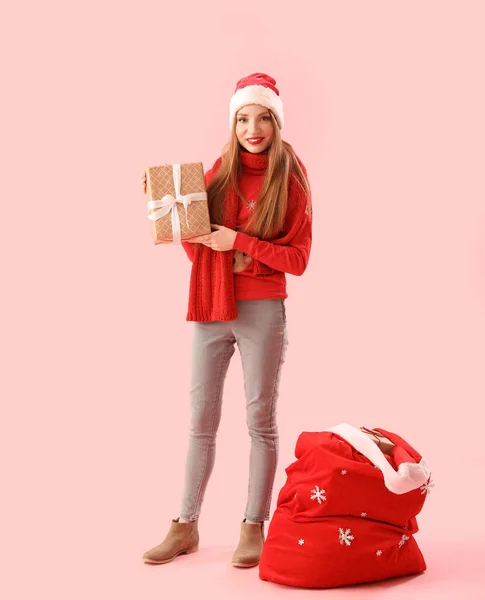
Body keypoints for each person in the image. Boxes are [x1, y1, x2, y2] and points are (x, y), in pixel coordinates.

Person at [140, 73, 312, 568]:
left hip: (262, 310)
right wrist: (159, 200)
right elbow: (195, 240)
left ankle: (252, 526)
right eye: (242, 118)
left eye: (261, 117)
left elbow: (297, 259)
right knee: (200, 422)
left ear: (275, 122)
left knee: (260, 420)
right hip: (213, 307)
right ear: (232, 123)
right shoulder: (219, 171)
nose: (251, 128)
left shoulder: (291, 177)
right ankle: (184, 525)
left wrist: (239, 244)